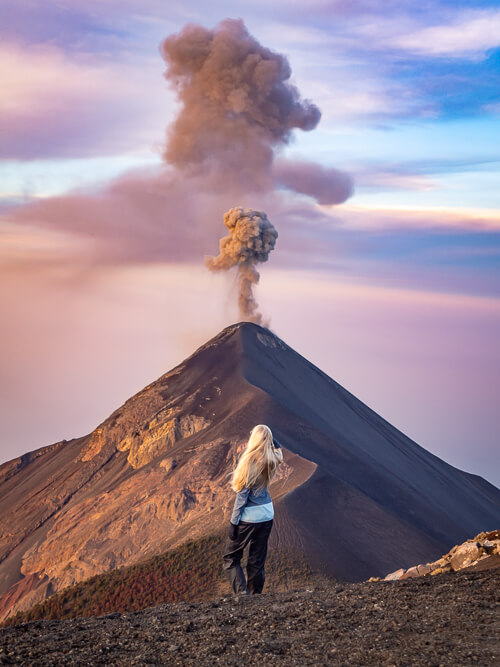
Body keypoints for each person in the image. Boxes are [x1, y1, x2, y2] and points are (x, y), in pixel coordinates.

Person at [222, 424, 283, 595]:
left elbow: (242, 498)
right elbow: (280, 450)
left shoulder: (248, 462)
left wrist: (233, 523)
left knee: (230, 557)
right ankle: (255, 596)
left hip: (249, 518)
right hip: (267, 515)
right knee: (257, 559)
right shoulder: (272, 459)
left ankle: (242, 595)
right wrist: (270, 439)